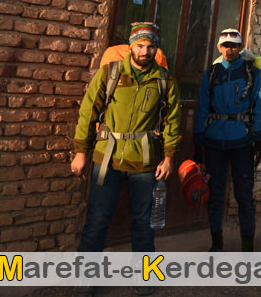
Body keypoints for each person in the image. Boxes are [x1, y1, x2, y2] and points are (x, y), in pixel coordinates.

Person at [71, 22, 181, 255]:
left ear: (156, 49)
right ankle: (85, 279)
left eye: (151, 46)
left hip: (144, 161)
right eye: (140, 45)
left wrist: (168, 158)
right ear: (131, 46)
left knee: (144, 223)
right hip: (106, 159)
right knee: (97, 219)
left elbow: (173, 121)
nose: (145, 51)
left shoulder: (165, 80)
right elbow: (88, 112)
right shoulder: (110, 73)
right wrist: (81, 152)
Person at [193, 28, 261, 252]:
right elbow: (202, 108)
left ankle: (248, 248)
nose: (230, 50)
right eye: (226, 45)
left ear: (240, 48)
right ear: (219, 47)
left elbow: (260, 106)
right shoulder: (211, 74)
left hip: (242, 142)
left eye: (234, 45)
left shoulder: (253, 74)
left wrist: (257, 138)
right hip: (214, 141)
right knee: (215, 195)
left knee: (244, 195)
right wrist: (198, 142)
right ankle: (216, 244)